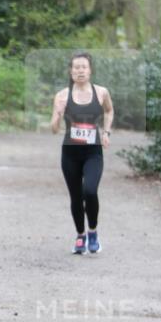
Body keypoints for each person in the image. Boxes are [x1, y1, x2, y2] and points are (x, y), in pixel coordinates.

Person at [50, 51, 114, 254]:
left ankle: (93, 231)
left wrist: (106, 132)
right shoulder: (62, 95)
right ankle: (80, 236)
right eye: (76, 67)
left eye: (83, 67)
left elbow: (109, 111)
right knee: (76, 196)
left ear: (90, 70)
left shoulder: (101, 92)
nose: (80, 70)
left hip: (93, 152)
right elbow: (53, 129)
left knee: (90, 191)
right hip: (70, 153)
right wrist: (58, 114)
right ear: (70, 71)